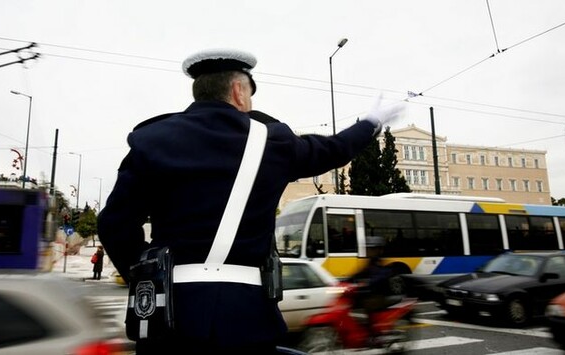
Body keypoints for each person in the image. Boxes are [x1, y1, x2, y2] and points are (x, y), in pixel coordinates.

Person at [98, 48, 406, 354]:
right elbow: (333, 149)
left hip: (166, 319)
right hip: (245, 318)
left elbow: (114, 225)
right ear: (238, 91)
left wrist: (151, 278)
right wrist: (371, 123)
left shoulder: (151, 139)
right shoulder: (270, 141)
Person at [346, 236, 395, 318]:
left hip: (380, 294)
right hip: (371, 292)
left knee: (367, 304)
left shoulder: (381, 262)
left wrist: (367, 283)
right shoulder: (370, 261)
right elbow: (361, 273)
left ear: (378, 250)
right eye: (367, 248)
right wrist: (348, 281)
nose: (368, 251)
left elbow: (382, 276)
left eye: (371, 249)